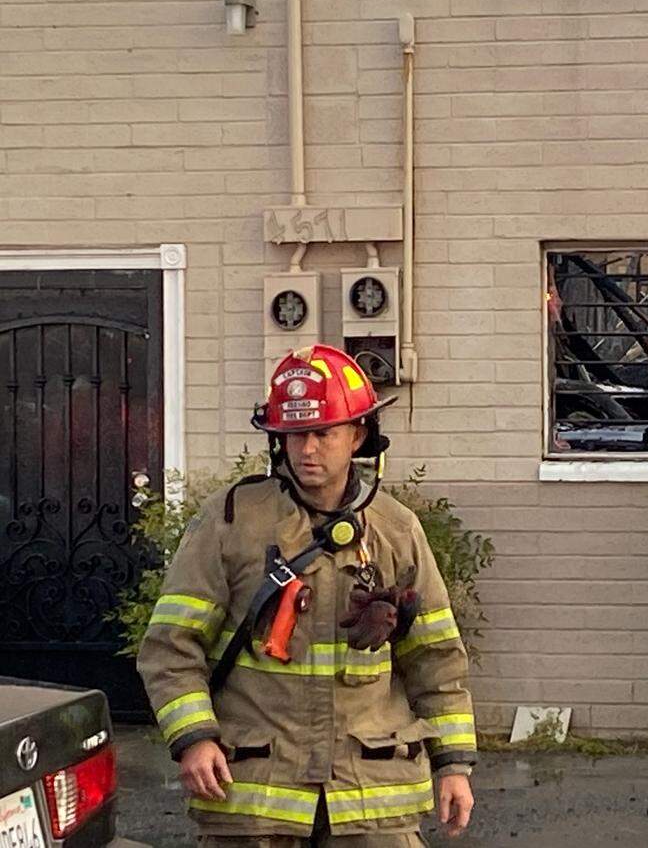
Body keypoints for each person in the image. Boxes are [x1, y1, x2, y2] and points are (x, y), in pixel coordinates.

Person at [138, 344, 476, 847]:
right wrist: (194, 737)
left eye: (323, 432)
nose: (308, 449)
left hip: (372, 801)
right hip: (256, 800)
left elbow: (436, 657)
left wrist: (453, 765)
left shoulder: (396, 530)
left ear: (358, 434)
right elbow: (170, 647)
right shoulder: (232, 523)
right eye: (295, 434)